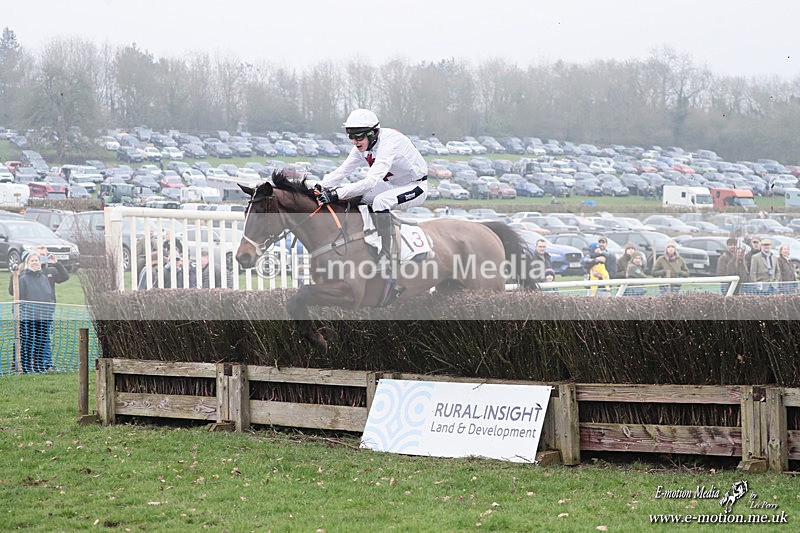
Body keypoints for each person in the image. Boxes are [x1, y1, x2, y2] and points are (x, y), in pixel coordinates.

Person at [318, 109, 428, 261]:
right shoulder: (363, 146)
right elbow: (342, 171)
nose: (354, 142)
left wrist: (336, 193)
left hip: (415, 186)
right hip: (391, 185)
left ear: (373, 133)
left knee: (380, 202)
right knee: (353, 198)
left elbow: (370, 182)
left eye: (358, 136)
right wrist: (319, 186)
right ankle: (364, 240)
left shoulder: (389, 144)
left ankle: (386, 255)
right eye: (351, 136)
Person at [7, 249, 67, 373]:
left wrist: (49, 310)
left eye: (37, 260)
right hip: (28, 317)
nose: (35, 263)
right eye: (32, 261)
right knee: (28, 341)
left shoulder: (44, 278)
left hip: (44, 317)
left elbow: (49, 295)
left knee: (42, 341)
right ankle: (26, 367)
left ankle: (40, 367)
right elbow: (17, 296)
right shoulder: (23, 278)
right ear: (27, 263)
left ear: (40, 263)